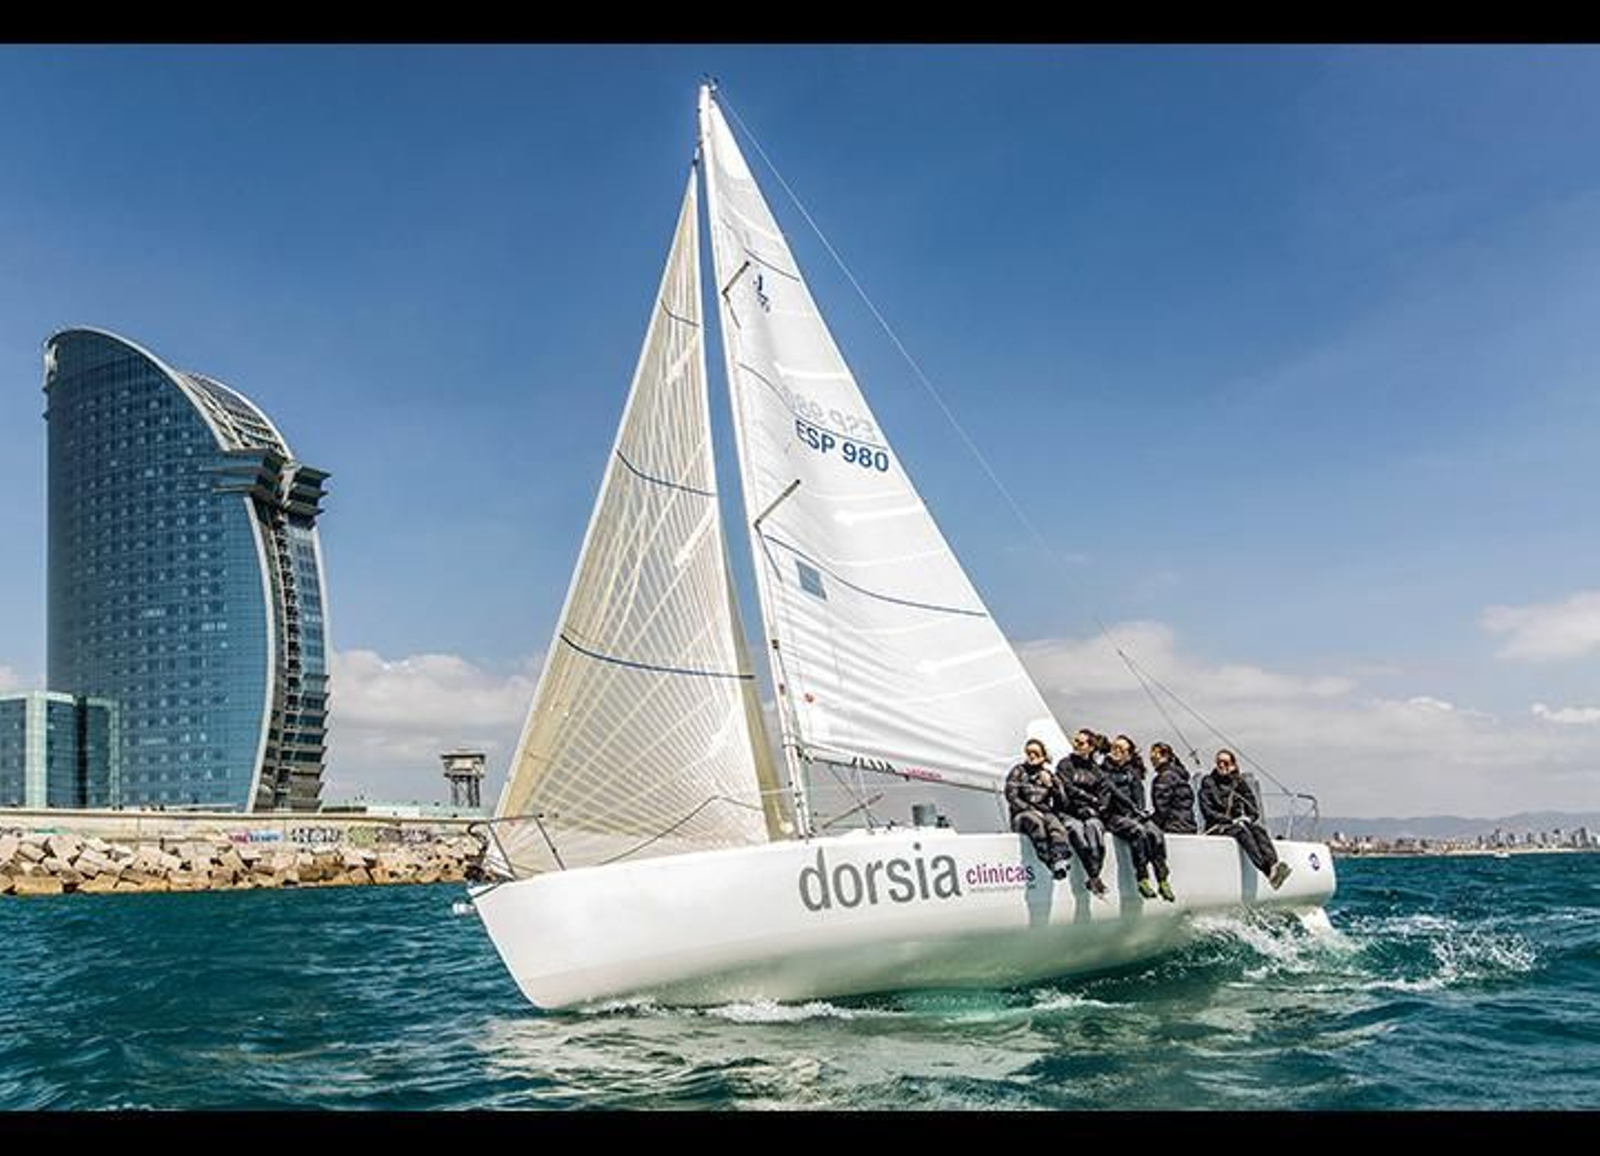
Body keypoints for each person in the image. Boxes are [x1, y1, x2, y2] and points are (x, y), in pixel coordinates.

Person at [1198, 749, 1292, 889]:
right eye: (1219, 762)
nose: (1222, 765)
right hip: (1217, 826)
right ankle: (1267, 872)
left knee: (1257, 829)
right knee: (1240, 831)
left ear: (1233, 765)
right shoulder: (1208, 783)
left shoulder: (1239, 783)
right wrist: (1230, 821)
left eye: (1225, 762)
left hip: (1237, 823)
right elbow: (1207, 812)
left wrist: (1248, 818)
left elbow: (1253, 809)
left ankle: (1274, 866)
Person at [1103, 735, 1174, 901]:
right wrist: (1131, 810)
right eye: (1114, 747)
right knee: (1138, 831)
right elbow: (1113, 792)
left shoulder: (1132, 773)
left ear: (1128, 754)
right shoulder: (1103, 770)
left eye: (1121, 749)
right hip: (1113, 816)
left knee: (1155, 833)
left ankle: (1162, 879)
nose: (1116, 751)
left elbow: (1139, 797)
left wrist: (1139, 812)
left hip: (1132, 815)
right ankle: (1142, 878)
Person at [1004, 740, 1074, 880]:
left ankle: (1059, 858)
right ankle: (1049, 861)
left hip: (1044, 813)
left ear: (1043, 756)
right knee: (1035, 820)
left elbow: (1063, 801)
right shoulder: (1018, 771)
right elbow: (1011, 796)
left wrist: (1051, 784)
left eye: (1035, 753)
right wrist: (1030, 808)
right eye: (1028, 752)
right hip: (1021, 815)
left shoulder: (1048, 774)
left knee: (1054, 823)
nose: (1031, 756)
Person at [1054, 729, 1110, 895]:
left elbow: (1104, 794)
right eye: (1075, 741)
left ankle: (1094, 877)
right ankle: (1094, 877)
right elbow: (1068, 789)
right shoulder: (1065, 764)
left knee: (1094, 828)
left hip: (1089, 814)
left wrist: (1095, 808)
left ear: (1091, 747)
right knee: (1076, 829)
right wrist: (1090, 800)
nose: (1075, 745)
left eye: (1080, 742)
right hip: (1068, 812)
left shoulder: (1097, 770)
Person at [1149, 742, 1198, 837]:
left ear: (1165, 756)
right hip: (1188, 825)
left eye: (1154, 757)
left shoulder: (1165, 777)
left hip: (1173, 826)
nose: (1152, 761)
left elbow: (1162, 809)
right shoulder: (1179, 775)